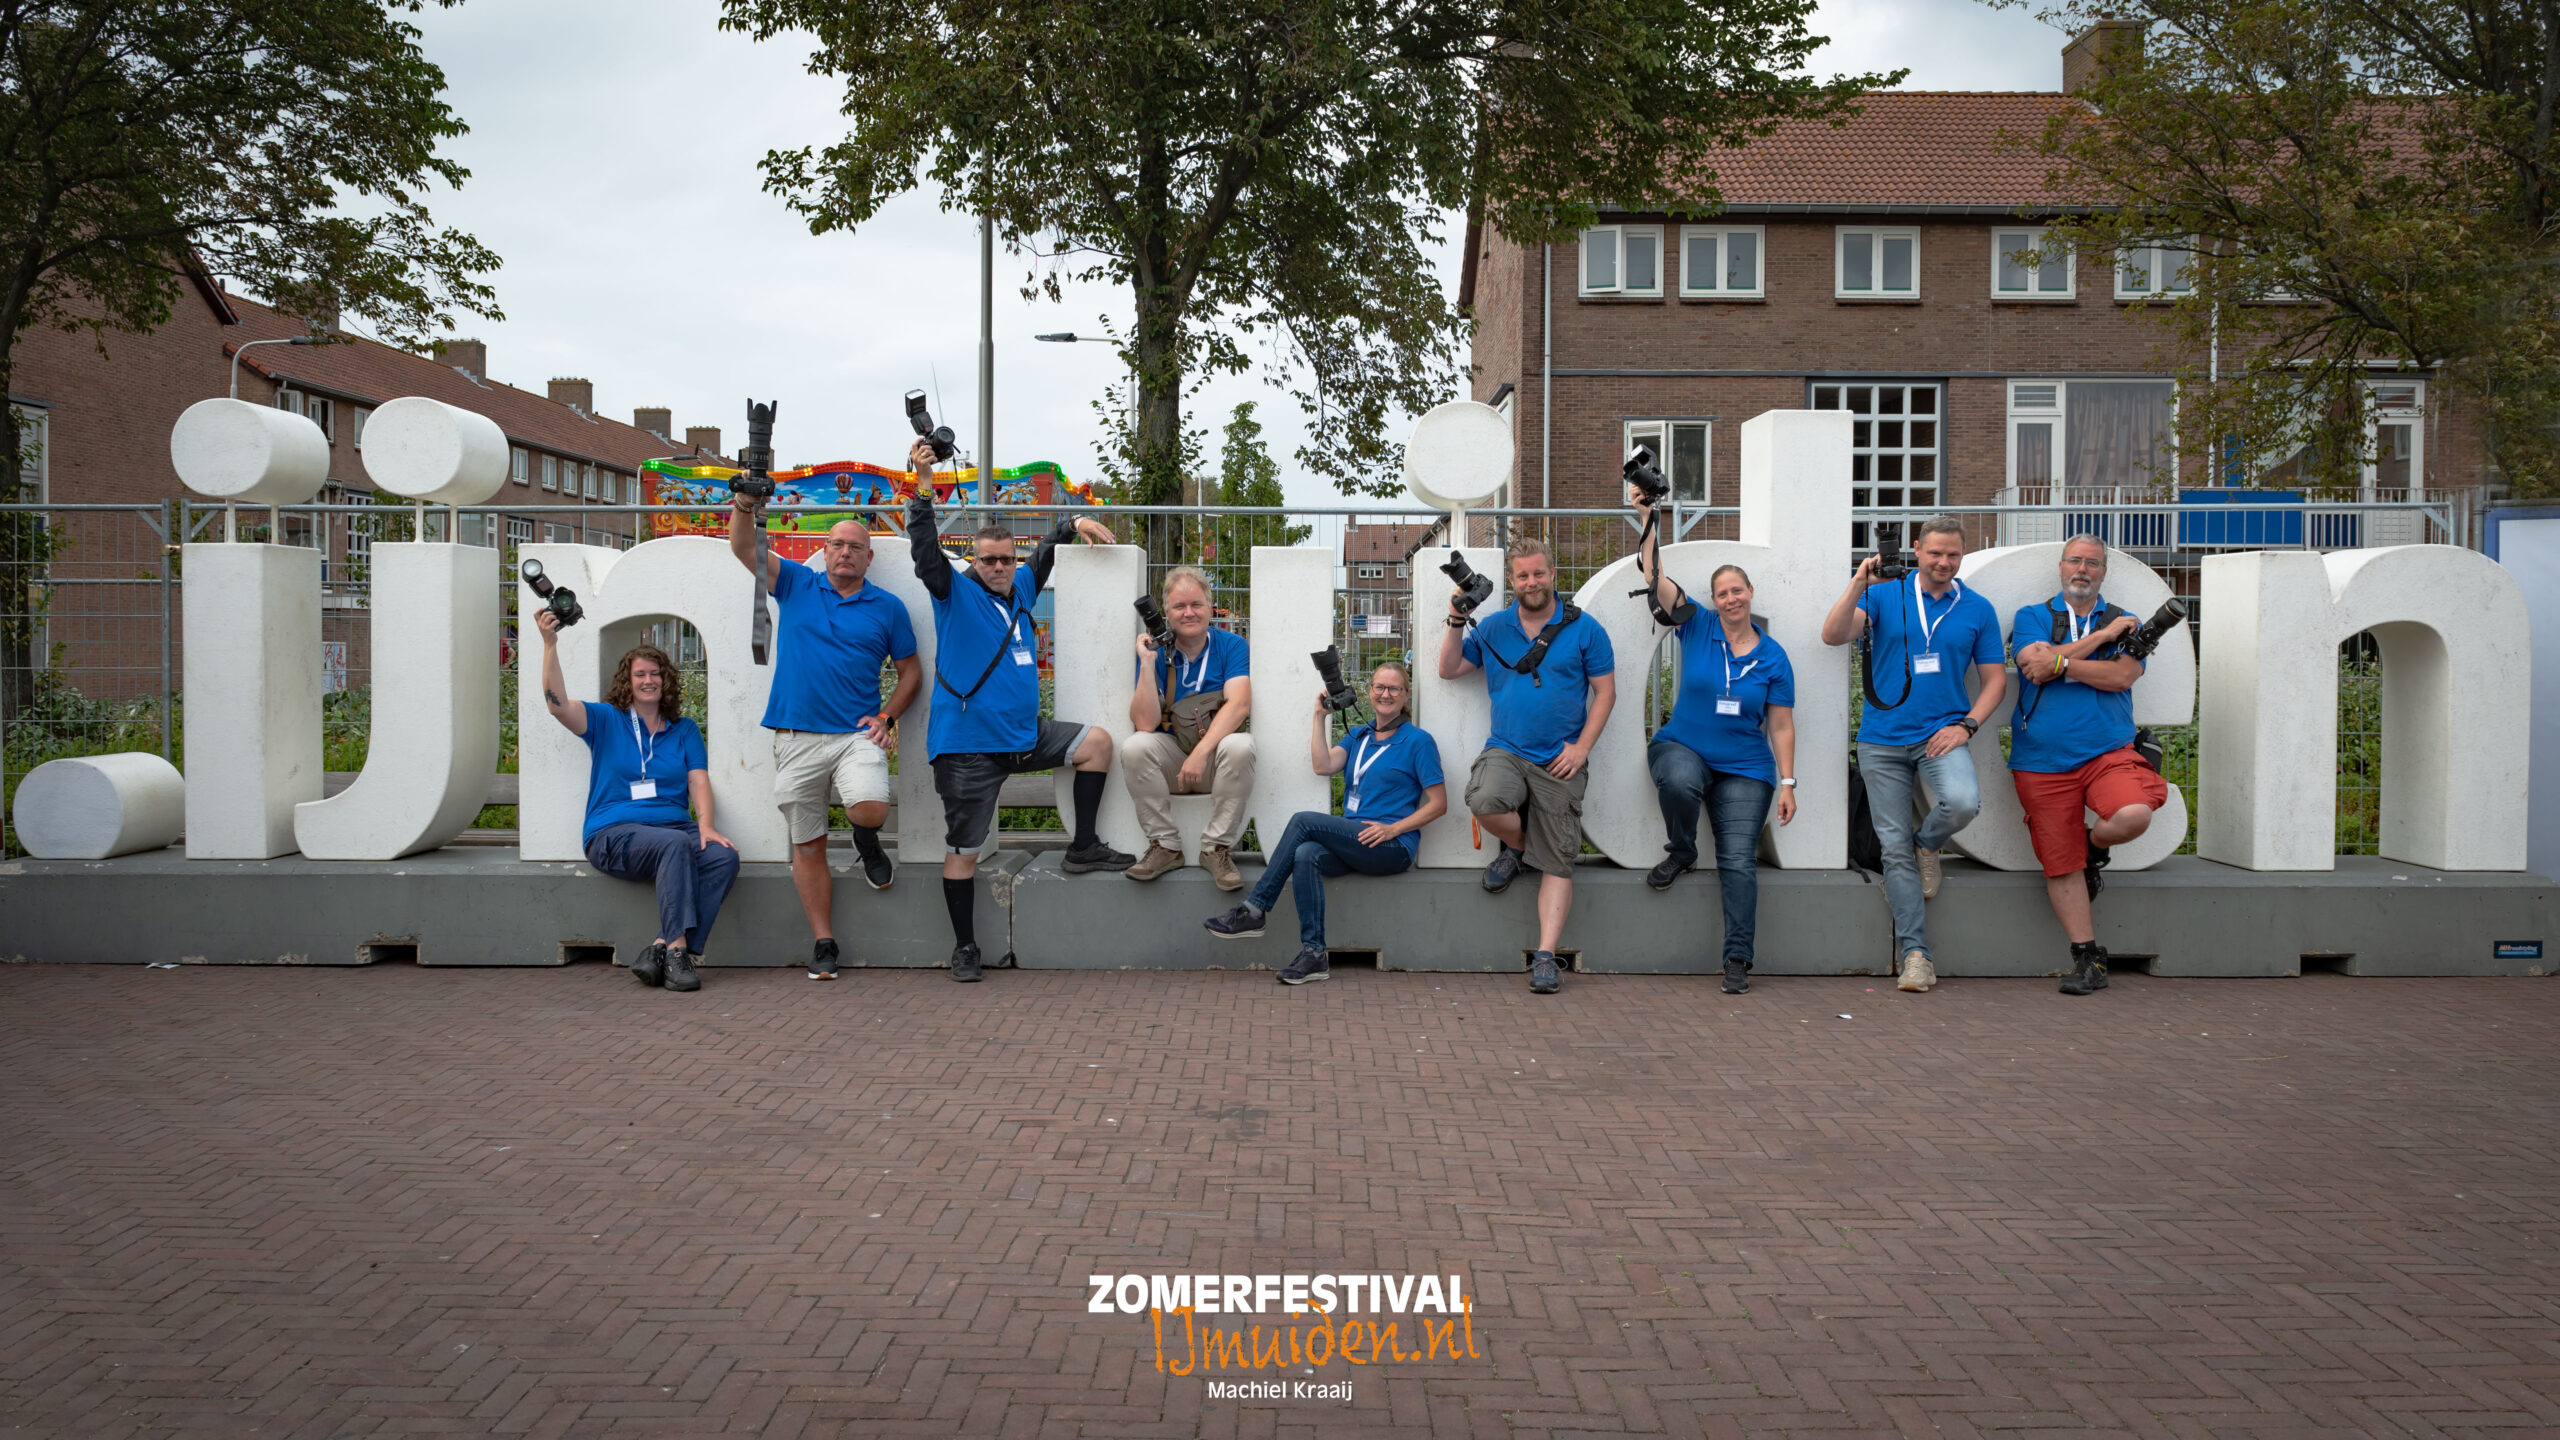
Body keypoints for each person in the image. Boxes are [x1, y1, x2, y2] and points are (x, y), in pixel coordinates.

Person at [905, 437, 1134, 982]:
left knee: (1097, 744)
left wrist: (1073, 524)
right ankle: (964, 947)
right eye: (990, 560)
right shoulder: (953, 593)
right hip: (966, 750)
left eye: (1007, 558)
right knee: (964, 850)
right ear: (975, 562)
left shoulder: (1021, 591)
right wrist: (921, 483)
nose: (1001, 566)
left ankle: (1082, 846)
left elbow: (1046, 552)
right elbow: (922, 548)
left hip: (1022, 737)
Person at [729, 500, 922, 981]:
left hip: (856, 734)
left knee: (871, 808)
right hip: (795, 738)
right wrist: (742, 507)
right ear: (824, 549)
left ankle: (865, 837)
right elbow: (743, 546)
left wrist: (888, 716)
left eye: (856, 547)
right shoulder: (795, 583)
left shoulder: (888, 608)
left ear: (869, 558)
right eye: (837, 544)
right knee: (808, 843)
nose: (845, 554)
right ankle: (823, 941)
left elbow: (911, 671)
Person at [1820, 515, 2006, 993]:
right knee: (1892, 849)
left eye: (1953, 555)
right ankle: (1916, 955)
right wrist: (1858, 582)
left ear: (1961, 557)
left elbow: (1995, 680)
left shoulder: (1977, 609)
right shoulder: (1885, 594)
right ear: (1918, 550)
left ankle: (1930, 844)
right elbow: (1833, 634)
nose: (1944, 562)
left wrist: (1967, 726)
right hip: (1881, 739)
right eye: (1935, 553)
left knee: (1962, 802)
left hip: (1940, 736)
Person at [1629, 485, 1797, 995]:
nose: (1730, 598)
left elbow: (1782, 725)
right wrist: (1647, 517)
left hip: (1747, 767)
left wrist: (1787, 782)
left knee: (1738, 861)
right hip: (1685, 746)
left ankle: (1738, 959)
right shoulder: (1697, 625)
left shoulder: (1773, 657)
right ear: (1714, 598)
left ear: (1750, 594)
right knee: (1679, 782)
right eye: (1722, 592)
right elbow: (1653, 577)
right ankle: (1681, 850)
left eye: (1737, 590)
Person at [1439, 536, 1616, 995]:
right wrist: (1456, 619)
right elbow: (1449, 669)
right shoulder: (1495, 626)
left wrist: (1581, 749)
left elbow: (1606, 693)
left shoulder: (1586, 629)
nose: (1532, 582)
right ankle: (1519, 848)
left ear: (1553, 574)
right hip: (1507, 748)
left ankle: (1544, 956)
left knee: (1560, 858)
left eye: (1539, 573)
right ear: (1512, 581)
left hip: (1562, 756)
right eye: (1522, 575)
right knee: (1483, 797)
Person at [1202, 661, 1446, 983]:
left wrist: (1394, 828)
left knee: (1303, 822)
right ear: (1370, 692)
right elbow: (1323, 765)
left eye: (1394, 689)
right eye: (1379, 687)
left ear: (1405, 696)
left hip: (1392, 845)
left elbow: (1439, 804)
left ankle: (1255, 909)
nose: (1386, 694)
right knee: (1306, 855)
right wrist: (1320, 716)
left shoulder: (1418, 741)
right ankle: (1314, 955)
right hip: (1356, 840)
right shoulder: (1360, 735)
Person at [535, 610, 738, 993]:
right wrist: (550, 644)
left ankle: (661, 946)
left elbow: (698, 780)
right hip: (614, 834)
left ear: (666, 680)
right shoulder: (606, 720)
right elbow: (557, 704)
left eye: (655, 673)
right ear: (627, 682)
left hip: (672, 831)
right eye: (640, 674)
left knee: (722, 857)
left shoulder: (684, 729)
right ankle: (679, 954)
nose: (649, 681)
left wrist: (707, 826)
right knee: (676, 844)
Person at [2008, 535, 2169, 996]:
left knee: (2132, 814)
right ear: (2060, 567)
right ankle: (2088, 958)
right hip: (2040, 762)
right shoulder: (2032, 616)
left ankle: (2093, 848)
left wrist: (2060, 661)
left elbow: (2121, 676)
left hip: (2108, 753)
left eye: (2093, 563)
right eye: (2075, 561)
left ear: (2103, 572)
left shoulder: (2128, 621)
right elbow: (2032, 666)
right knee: (2060, 865)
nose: (2083, 569)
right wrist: (2099, 641)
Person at [1124, 565, 1255, 888]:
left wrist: (1200, 753)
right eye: (1179, 606)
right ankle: (1165, 846)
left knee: (1241, 745)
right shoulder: (1158, 652)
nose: (1189, 613)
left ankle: (1216, 848)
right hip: (1172, 758)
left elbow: (1239, 704)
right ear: (1166, 612)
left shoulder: (1231, 646)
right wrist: (1147, 663)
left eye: (1196, 604)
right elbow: (1145, 723)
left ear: (1210, 607)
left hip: (1214, 762)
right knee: (1135, 746)